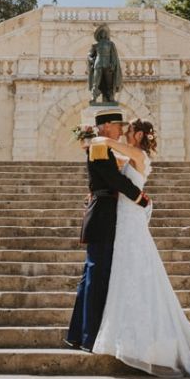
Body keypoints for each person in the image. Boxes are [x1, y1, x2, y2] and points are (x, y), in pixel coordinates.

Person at [90, 119, 190, 378]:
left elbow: (107, 144)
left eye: (128, 131)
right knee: (129, 274)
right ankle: (133, 336)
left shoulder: (138, 154)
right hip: (126, 218)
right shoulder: (131, 156)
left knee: (136, 273)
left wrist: (92, 136)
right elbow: (112, 169)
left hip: (130, 220)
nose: (124, 134)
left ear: (139, 135)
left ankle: (144, 342)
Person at [66, 109, 151, 352]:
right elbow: (115, 181)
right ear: (105, 127)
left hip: (103, 214)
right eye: (117, 125)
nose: (122, 129)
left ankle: (79, 334)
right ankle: (89, 336)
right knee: (96, 278)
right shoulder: (100, 146)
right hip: (103, 216)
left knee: (91, 277)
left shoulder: (103, 146)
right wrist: (141, 198)